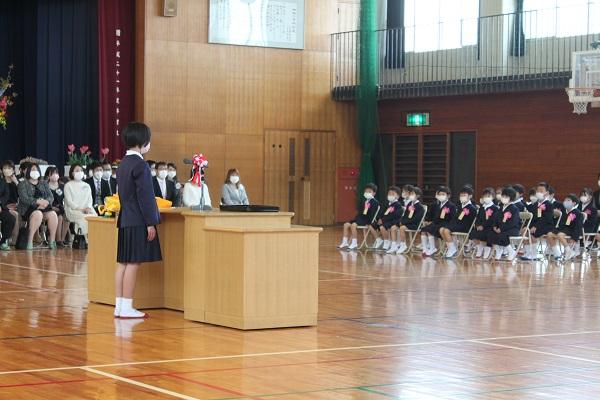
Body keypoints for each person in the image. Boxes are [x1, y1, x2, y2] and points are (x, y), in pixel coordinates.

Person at [115, 122, 162, 319]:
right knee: (133, 263)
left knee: (123, 263)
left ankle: (119, 306)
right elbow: (146, 196)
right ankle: (127, 307)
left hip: (125, 219)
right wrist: (151, 222)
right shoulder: (140, 165)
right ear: (142, 142)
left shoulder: (123, 164)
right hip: (137, 220)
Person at [17, 163, 58, 250]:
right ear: (28, 171)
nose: (35, 171)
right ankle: (29, 241)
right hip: (28, 209)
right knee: (38, 214)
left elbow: (51, 196)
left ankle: (52, 241)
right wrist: (37, 202)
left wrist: (46, 202)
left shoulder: (44, 183)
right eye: (32, 170)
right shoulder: (22, 184)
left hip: (43, 207)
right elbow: (24, 198)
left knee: (53, 214)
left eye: (36, 169)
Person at [439, 186, 477, 258]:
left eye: (464, 195)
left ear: (470, 196)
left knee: (446, 230)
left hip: (465, 226)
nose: (462, 197)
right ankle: (451, 247)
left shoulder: (472, 208)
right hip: (457, 225)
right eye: (461, 195)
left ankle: (452, 249)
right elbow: (456, 218)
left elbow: (471, 221)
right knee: (441, 229)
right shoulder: (460, 206)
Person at [338, 183, 379, 250]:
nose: (367, 193)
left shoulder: (375, 202)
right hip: (359, 218)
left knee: (353, 225)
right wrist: (356, 219)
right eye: (366, 191)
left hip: (366, 220)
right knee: (346, 225)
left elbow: (372, 214)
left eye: (369, 192)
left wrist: (368, 223)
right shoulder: (364, 201)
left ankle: (354, 243)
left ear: (374, 193)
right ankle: (345, 242)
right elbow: (360, 212)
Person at [521, 182, 554, 261]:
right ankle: (528, 252)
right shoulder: (535, 204)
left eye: (541, 191)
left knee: (531, 233)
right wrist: (527, 226)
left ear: (547, 193)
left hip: (545, 225)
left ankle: (533, 254)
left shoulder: (548, 204)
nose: (539, 192)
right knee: (524, 231)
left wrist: (536, 226)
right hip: (535, 224)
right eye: (538, 191)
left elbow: (546, 218)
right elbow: (533, 217)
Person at [387, 186, 425, 254]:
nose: (411, 195)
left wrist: (404, 223)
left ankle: (403, 245)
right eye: (410, 194)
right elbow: (405, 215)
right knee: (393, 227)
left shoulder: (420, 207)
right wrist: (400, 222)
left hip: (414, 224)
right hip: (406, 223)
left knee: (402, 228)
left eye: (413, 194)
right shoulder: (409, 204)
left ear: (418, 196)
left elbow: (416, 219)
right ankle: (394, 245)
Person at [546, 194, 584, 261]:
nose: (566, 202)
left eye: (568, 200)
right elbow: (562, 223)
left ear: (574, 203)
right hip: (563, 229)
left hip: (571, 230)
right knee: (549, 234)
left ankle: (569, 251)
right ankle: (557, 253)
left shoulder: (577, 213)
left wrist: (574, 238)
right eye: (565, 200)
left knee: (560, 235)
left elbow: (578, 226)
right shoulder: (564, 212)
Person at [421, 186, 456, 257]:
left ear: (448, 196)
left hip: (445, 224)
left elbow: (452, 218)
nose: (441, 196)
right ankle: (429, 248)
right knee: (425, 229)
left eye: (443, 194)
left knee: (431, 229)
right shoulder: (438, 205)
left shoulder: (451, 205)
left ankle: (450, 248)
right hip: (437, 223)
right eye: (440, 194)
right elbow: (436, 216)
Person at [64, 164, 96, 239]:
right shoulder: (68, 185)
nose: (80, 172)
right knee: (85, 218)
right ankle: (84, 239)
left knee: (95, 218)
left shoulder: (87, 185)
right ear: (72, 173)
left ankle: (94, 240)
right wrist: (81, 209)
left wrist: (88, 207)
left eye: (81, 170)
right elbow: (69, 201)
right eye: (77, 170)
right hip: (73, 210)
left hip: (87, 210)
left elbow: (90, 199)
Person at [489, 187, 521, 261]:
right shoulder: (501, 207)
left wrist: (501, 229)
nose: (503, 198)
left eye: (506, 197)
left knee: (502, 235)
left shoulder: (514, 208)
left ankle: (511, 251)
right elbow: (496, 219)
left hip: (512, 229)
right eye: (503, 196)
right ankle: (499, 250)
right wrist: (495, 226)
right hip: (500, 228)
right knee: (491, 234)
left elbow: (513, 222)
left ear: (511, 198)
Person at [470, 187, 499, 259]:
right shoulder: (482, 207)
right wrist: (477, 225)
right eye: (485, 196)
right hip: (480, 227)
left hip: (489, 227)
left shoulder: (494, 208)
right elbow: (478, 218)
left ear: (493, 197)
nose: (486, 198)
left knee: (486, 234)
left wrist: (483, 226)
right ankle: (479, 248)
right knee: (473, 233)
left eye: (488, 196)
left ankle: (487, 249)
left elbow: (492, 220)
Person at [45, 166, 69, 247]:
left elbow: (66, 199)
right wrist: (51, 207)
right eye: (53, 173)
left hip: (60, 207)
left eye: (56, 173)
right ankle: (58, 239)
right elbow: (44, 199)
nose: (55, 175)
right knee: (59, 217)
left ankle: (62, 238)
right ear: (48, 175)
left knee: (67, 216)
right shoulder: (45, 186)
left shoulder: (62, 186)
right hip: (49, 208)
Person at [375, 186, 403, 251]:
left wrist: (383, 220)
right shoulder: (387, 204)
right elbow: (382, 212)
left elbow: (395, 216)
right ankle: (379, 240)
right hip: (385, 221)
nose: (390, 195)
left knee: (382, 227)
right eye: (389, 194)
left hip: (393, 221)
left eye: (392, 194)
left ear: (398, 196)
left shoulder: (398, 205)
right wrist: (379, 218)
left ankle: (387, 241)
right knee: (374, 225)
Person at [1, 160, 20, 243]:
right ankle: (12, 240)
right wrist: (6, 207)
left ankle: (15, 240)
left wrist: (16, 182)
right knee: (15, 215)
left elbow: (23, 196)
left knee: (19, 213)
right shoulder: (1, 182)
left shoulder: (17, 182)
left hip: (16, 206)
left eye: (9, 168)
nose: (7, 170)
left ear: (13, 170)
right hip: (4, 207)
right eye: (5, 168)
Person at [0, 178, 16, 251]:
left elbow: (6, 195)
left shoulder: (3, 181)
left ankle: (3, 241)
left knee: (11, 219)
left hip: (1, 208)